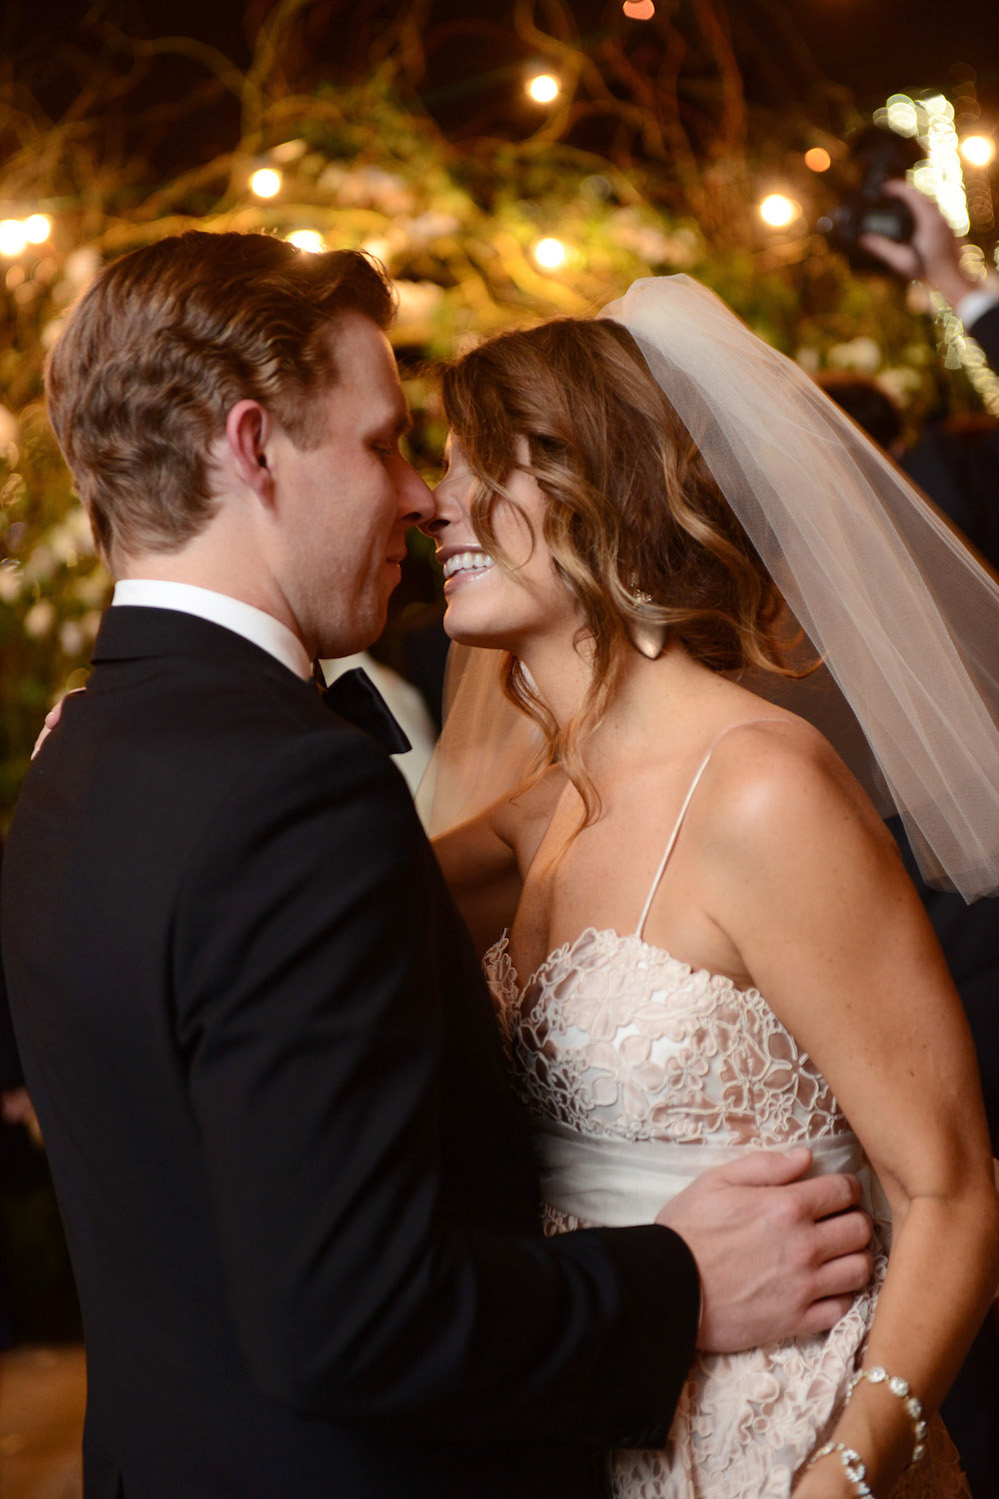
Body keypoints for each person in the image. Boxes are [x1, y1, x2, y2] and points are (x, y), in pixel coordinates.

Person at [0, 233, 875, 1499]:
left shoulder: (80, 762)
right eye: (383, 442)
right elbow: (353, 1311)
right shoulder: (286, 787)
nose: (422, 498)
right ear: (252, 448)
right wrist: (678, 1281)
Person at [422, 276, 999, 1498]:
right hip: (591, 1425)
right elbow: (329, 906)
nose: (439, 504)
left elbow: (950, 1187)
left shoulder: (759, 789)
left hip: (780, 1443)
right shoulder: (537, 815)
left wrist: (846, 1466)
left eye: (489, 468)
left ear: (604, 492)